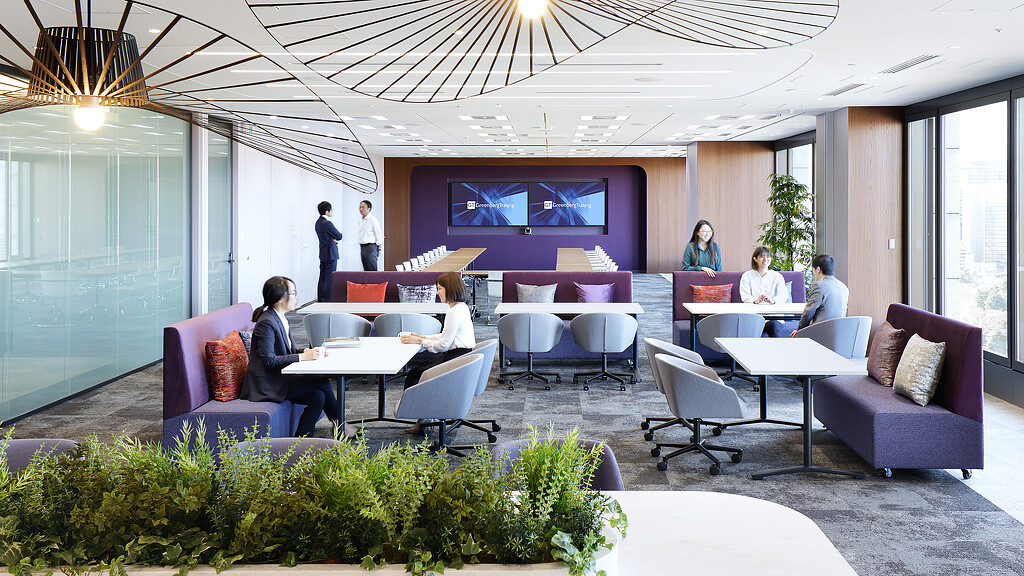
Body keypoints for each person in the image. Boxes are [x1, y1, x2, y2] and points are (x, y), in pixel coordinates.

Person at [241, 276, 348, 438]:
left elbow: (286, 351)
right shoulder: (267, 323)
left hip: (278, 378)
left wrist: (310, 352)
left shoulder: (280, 318)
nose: (296, 297)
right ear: (279, 298)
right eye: (292, 293)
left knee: (318, 396)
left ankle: (301, 441)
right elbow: (268, 360)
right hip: (267, 384)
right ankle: (341, 426)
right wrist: (303, 357)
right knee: (321, 381)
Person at [400, 271, 476, 435]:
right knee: (418, 372)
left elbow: (443, 345)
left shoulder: (453, 312)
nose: (437, 292)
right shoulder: (461, 308)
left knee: (416, 374)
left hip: (455, 358)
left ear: (450, 288)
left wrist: (420, 342)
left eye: (440, 288)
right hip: (462, 356)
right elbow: (445, 336)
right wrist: (422, 337)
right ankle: (423, 420)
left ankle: (420, 418)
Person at [792, 254, 849, 335]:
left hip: (820, 334)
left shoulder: (819, 285)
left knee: (788, 339)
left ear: (818, 269)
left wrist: (800, 330)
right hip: (838, 334)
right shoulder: (844, 287)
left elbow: (809, 311)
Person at [740, 246, 789, 337]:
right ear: (755, 259)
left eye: (768, 257)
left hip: (773, 316)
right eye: (762, 256)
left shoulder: (777, 276)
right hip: (754, 315)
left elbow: (784, 295)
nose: (765, 259)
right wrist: (755, 301)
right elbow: (745, 296)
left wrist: (773, 301)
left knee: (773, 327)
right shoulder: (747, 276)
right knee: (750, 327)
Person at [315, 201, 343, 302]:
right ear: (327, 211)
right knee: (329, 278)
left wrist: (331, 238)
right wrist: (333, 238)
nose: (331, 212)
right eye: (330, 210)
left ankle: (321, 299)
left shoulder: (318, 222)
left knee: (322, 277)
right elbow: (339, 236)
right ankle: (328, 300)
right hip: (330, 254)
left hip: (323, 253)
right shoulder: (327, 223)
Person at [357, 199, 384, 271]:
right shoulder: (360, 220)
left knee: (372, 270)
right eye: (360, 207)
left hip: (371, 247)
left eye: (363, 207)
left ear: (369, 209)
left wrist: (379, 249)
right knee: (366, 270)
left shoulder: (373, 220)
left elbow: (378, 235)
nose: (361, 209)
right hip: (362, 247)